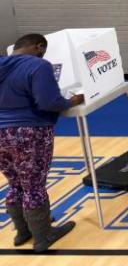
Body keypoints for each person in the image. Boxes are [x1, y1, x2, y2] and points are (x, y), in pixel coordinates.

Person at [0, 33, 84, 252]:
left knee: (15, 183)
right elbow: (48, 102)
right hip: (30, 131)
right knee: (34, 185)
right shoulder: (39, 66)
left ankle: (22, 232)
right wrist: (72, 100)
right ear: (39, 47)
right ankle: (43, 237)